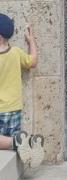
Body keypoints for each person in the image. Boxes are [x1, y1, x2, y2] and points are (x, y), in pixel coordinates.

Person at [0, 15, 44, 169]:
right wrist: (31, 41)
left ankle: (17, 141)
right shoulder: (16, 53)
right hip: (15, 108)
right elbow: (33, 61)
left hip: (0, 110)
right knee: (12, 141)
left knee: (10, 142)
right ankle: (29, 143)